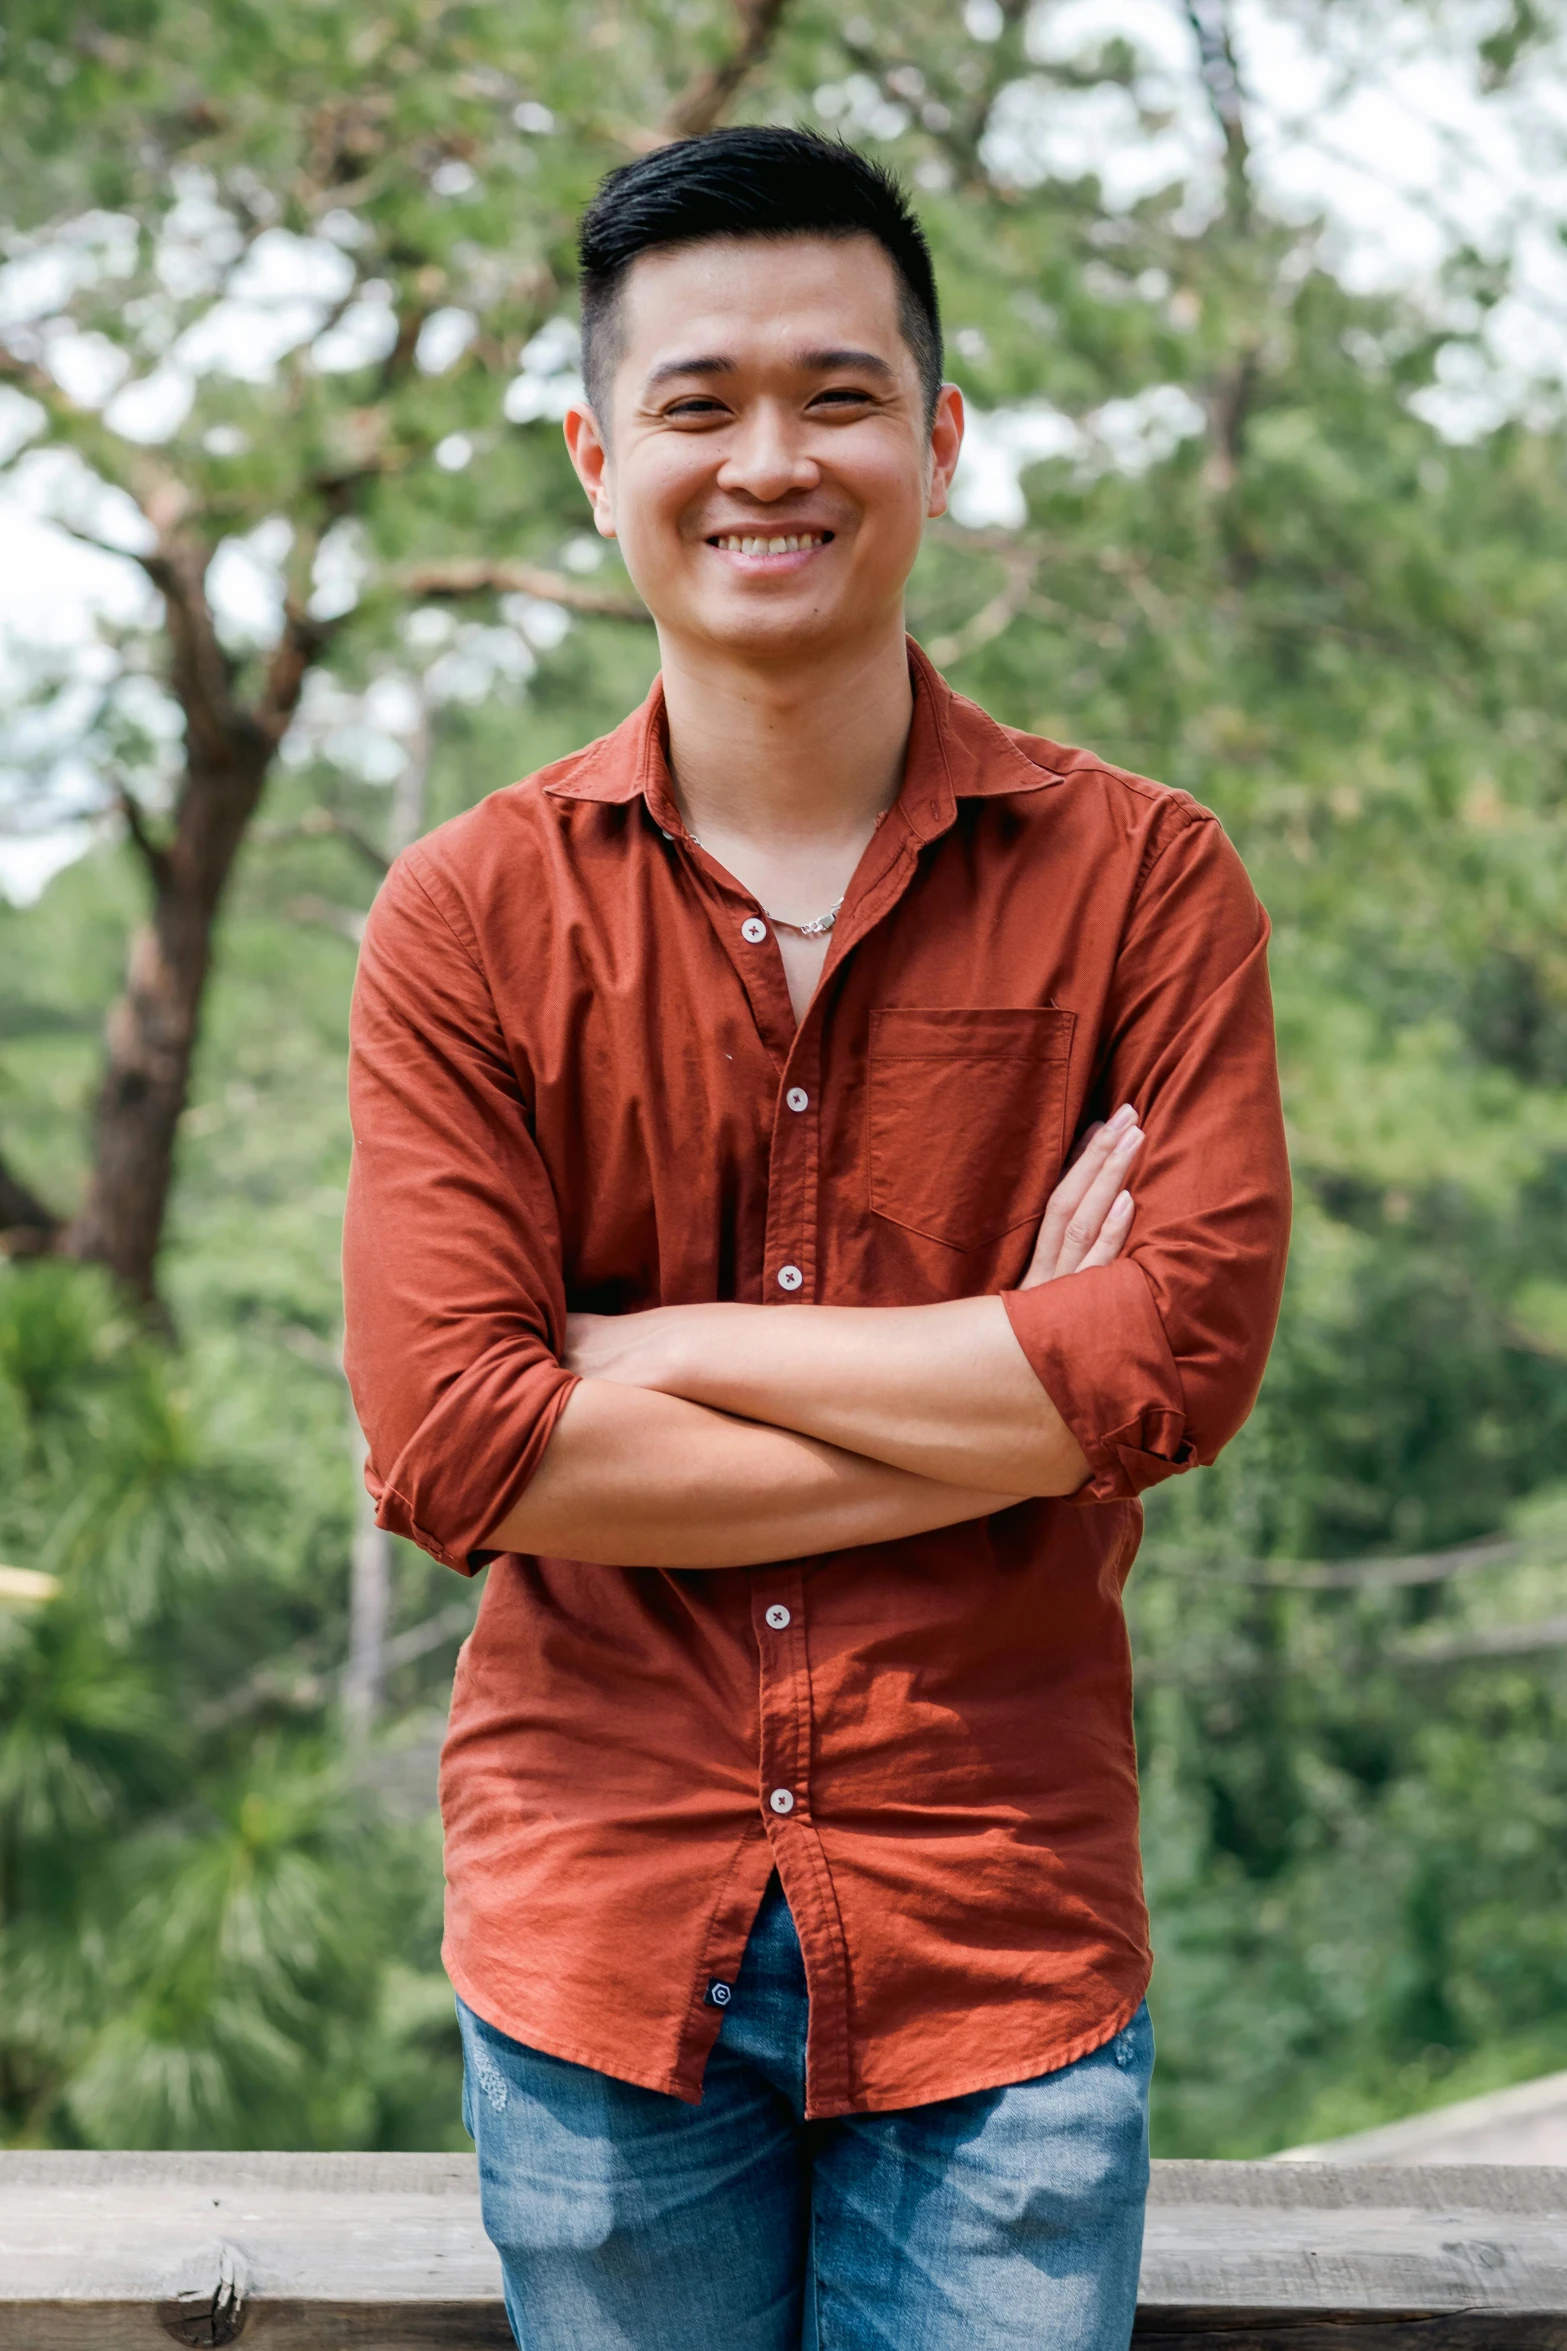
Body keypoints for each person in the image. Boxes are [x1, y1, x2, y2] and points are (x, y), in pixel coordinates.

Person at [343, 125, 1290, 2351]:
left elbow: (1175, 1366)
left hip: (997, 1923)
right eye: (698, 403)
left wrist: (642, 1348)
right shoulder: (471, 916)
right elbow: (462, 1449)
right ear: (598, 459)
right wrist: (1023, 1394)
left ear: (938, 440)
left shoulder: (1143, 884)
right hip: (601, 1929)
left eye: (839, 394)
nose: (771, 456)